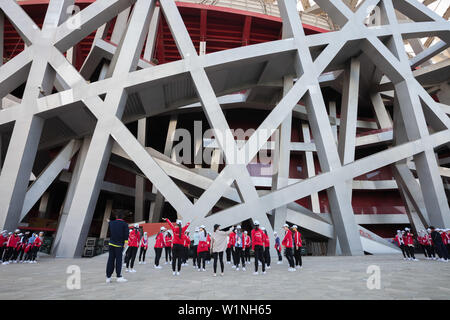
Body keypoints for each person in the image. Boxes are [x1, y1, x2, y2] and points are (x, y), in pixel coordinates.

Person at [106, 209, 129, 283]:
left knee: (110, 260)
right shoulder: (125, 224)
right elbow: (126, 235)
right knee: (118, 260)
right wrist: (126, 242)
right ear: (123, 217)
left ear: (116, 216)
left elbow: (109, 222)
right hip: (119, 245)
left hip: (111, 244)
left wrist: (109, 221)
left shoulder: (112, 223)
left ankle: (108, 277)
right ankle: (118, 276)